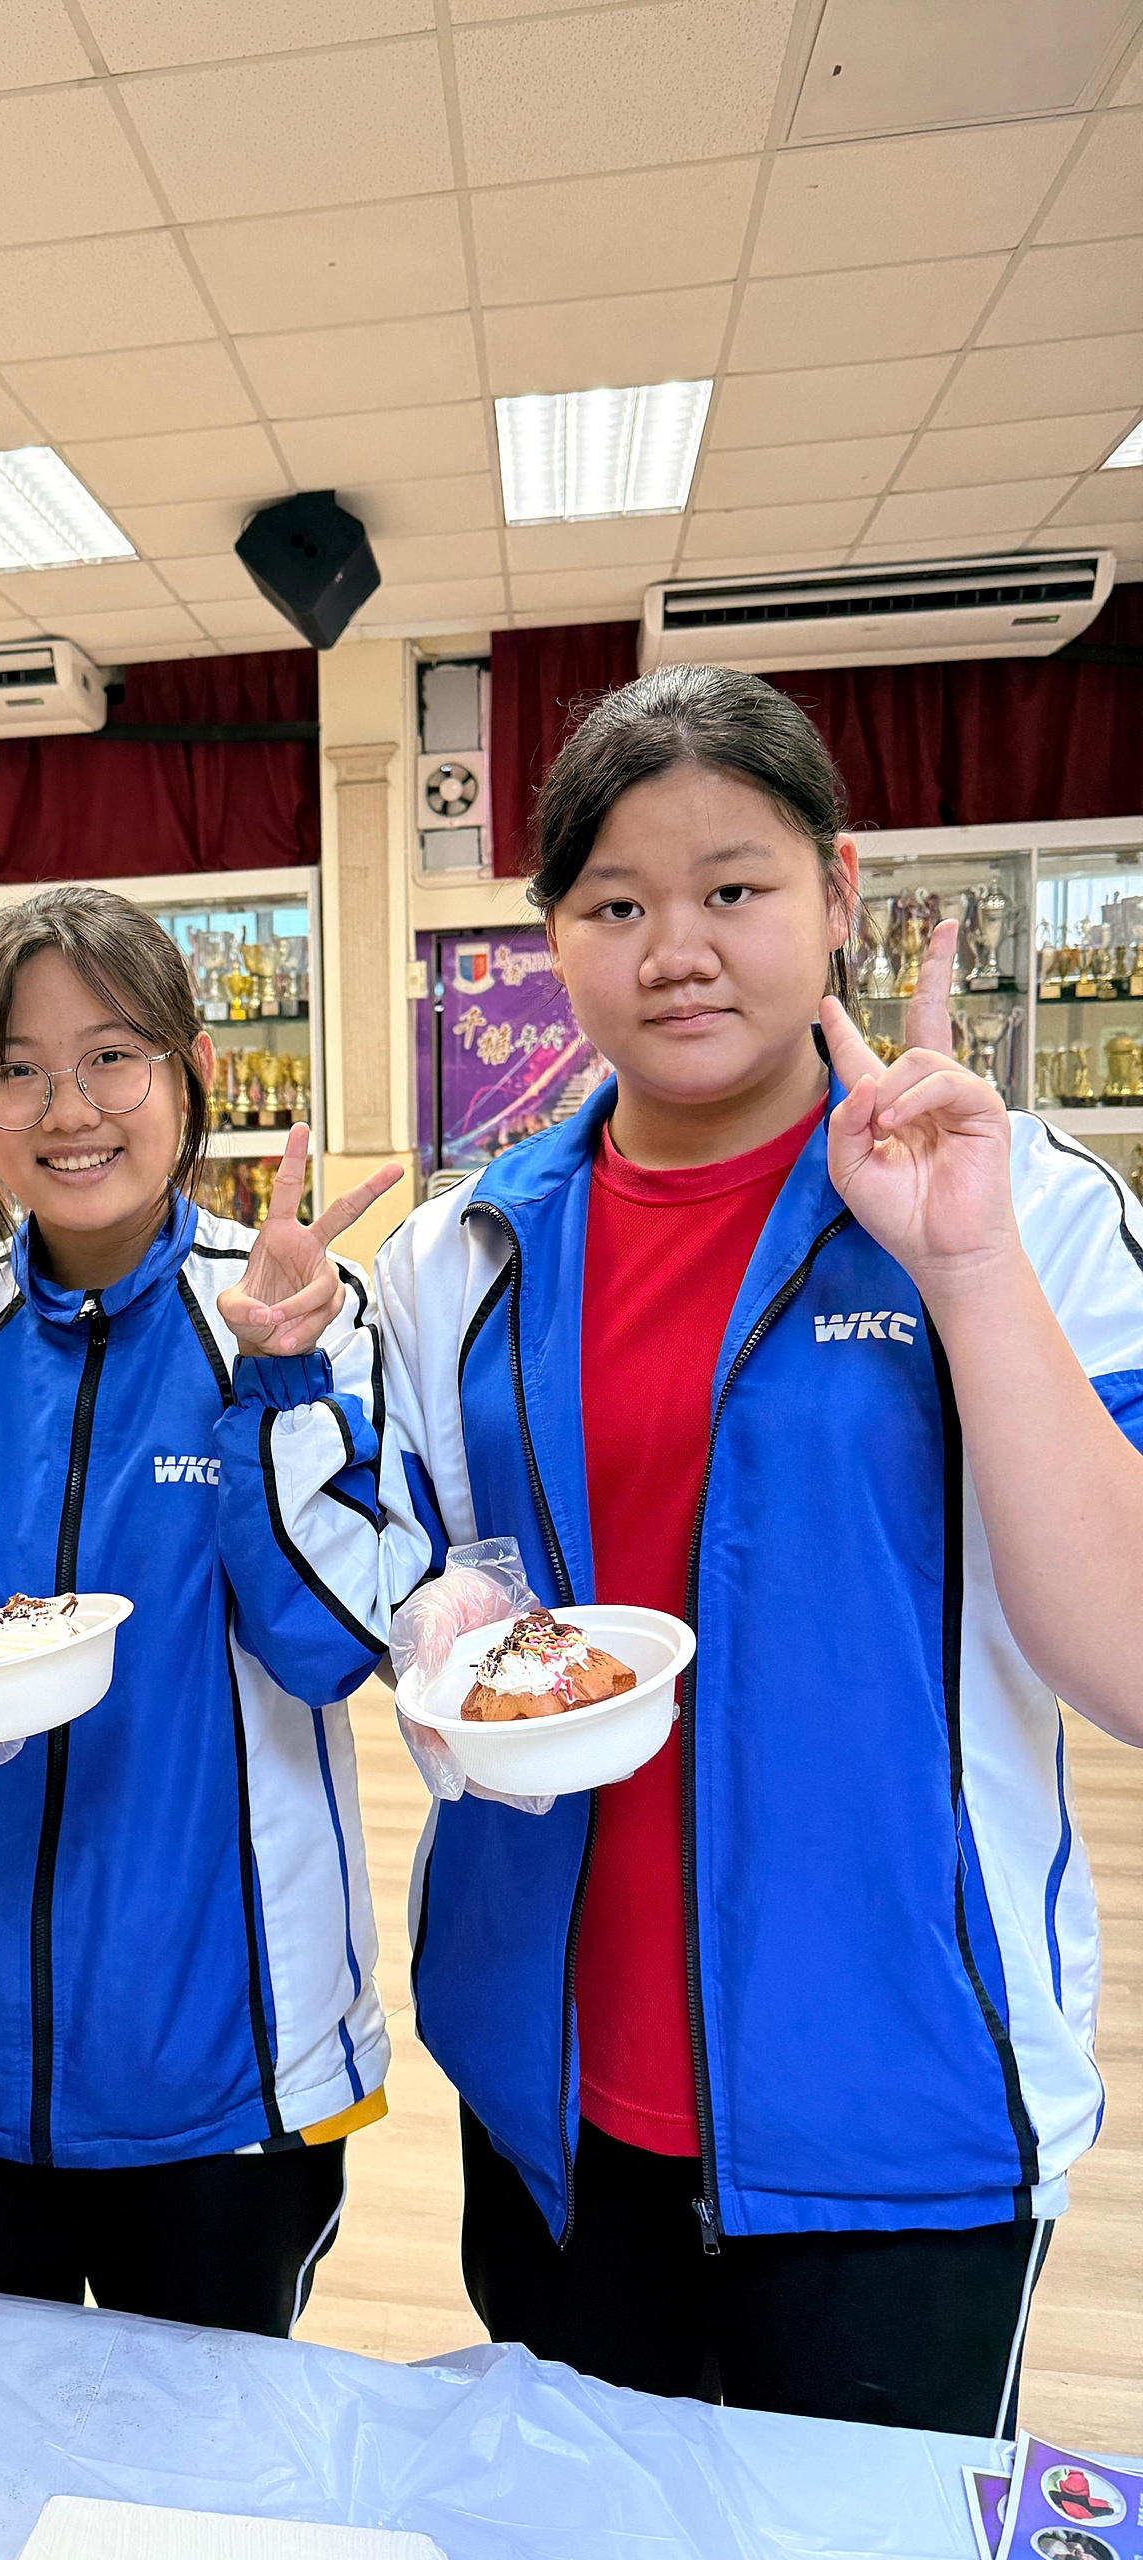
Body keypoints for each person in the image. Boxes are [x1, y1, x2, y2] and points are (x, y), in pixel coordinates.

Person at [343, 665, 1143, 2433]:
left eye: (733, 888)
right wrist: (436, 1618)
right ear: (554, 936)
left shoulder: (1030, 1209)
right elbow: (438, 1575)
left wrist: (965, 1265)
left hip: (901, 2113)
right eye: (616, 906)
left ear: (839, 892)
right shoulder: (459, 1256)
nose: (677, 952)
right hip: (552, 2096)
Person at [0, 883, 402, 2335]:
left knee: (208, 2453)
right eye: (19, 1069)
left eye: (113, 1055)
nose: (71, 1109)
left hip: (225, 2068)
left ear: (190, 1071)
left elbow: (325, 1648)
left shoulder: (313, 1314)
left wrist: (277, 1387)